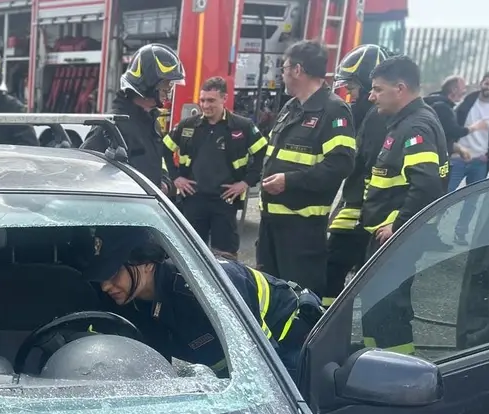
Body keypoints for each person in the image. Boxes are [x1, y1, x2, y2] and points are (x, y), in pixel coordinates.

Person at [82, 228, 324, 381]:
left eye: (113, 275)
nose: (105, 286)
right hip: (228, 366)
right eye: (101, 277)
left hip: (287, 347)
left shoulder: (205, 287)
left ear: (146, 263)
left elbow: (263, 370)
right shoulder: (130, 301)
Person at [358, 55, 447, 355]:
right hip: (389, 236)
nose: (371, 96)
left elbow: (427, 185)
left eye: (377, 89)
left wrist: (398, 225)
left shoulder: (415, 127)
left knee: (389, 310)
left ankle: (396, 373)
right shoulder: (404, 123)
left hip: (396, 238)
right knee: (376, 305)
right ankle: (374, 362)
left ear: (400, 88)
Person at [257, 39, 356, 294]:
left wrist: (289, 181)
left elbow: (340, 165)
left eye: (285, 67)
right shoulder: (291, 107)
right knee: (270, 296)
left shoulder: (334, 111)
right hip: (271, 224)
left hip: (301, 231)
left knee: (300, 299)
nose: (282, 74)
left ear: (298, 70)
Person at [162, 76, 268, 260]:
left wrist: (245, 182)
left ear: (224, 99)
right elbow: (164, 148)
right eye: (202, 100)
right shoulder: (188, 126)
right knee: (191, 254)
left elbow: (262, 153)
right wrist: (175, 177)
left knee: (225, 257)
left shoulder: (242, 126)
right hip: (192, 200)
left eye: (211, 100)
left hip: (225, 202)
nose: (205, 105)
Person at [323, 43, 390, 308]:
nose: (348, 94)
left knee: (333, 268)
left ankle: (323, 324)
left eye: (352, 86)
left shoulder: (374, 118)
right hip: (358, 210)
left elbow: (367, 165)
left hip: (361, 215)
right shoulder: (370, 115)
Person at [83, 43, 185, 193]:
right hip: (121, 211)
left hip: (144, 208)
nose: (169, 88)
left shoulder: (152, 123)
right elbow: (85, 169)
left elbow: (158, 161)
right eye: (166, 83)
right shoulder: (111, 126)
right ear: (149, 82)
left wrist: (163, 181)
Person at [451, 71, 489, 243]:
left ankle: (461, 233)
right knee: (445, 195)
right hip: (458, 158)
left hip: (480, 161)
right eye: (487, 83)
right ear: (481, 83)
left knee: (471, 201)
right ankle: (430, 232)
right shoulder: (467, 102)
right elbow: (453, 125)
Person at [423, 75, 489, 166]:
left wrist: (459, 149)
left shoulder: (435, 103)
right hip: (432, 159)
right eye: (463, 88)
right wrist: (476, 127)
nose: (465, 91)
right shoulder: (442, 107)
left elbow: (444, 137)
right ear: (454, 90)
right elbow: (454, 131)